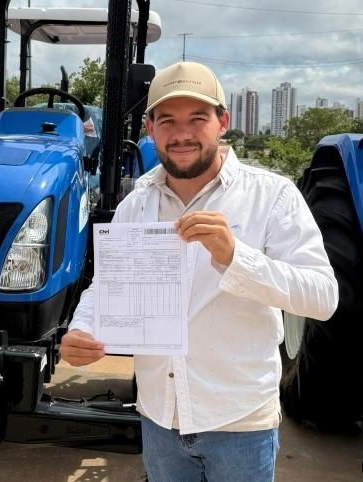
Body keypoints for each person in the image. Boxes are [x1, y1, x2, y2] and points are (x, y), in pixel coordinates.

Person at [59, 61, 339, 482]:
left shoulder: (272, 197)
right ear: (150, 129)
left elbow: (322, 297)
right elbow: (109, 286)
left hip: (240, 424)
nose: (183, 134)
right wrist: (81, 328)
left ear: (222, 122)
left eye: (198, 119)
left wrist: (235, 257)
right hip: (160, 419)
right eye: (168, 120)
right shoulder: (137, 204)